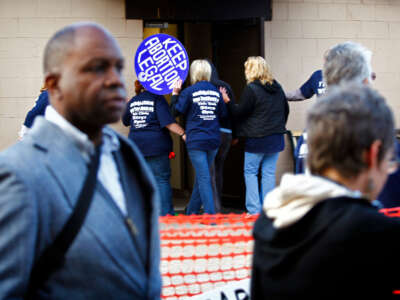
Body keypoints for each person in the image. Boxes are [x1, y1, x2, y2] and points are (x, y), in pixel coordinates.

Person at [0, 23, 161, 299]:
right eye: (96, 68)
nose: (114, 79)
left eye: (117, 67)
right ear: (54, 84)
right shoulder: (18, 172)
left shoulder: (125, 154)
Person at [251, 84, 400, 299]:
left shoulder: (270, 219)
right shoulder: (371, 230)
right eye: (389, 161)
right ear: (372, 154)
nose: (388, 171)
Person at [220, 56, 289, 214]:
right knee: (268, 173)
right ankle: (268, 210)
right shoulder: (277, 87)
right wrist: (277, 126)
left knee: (250, 172)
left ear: (251, 71)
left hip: (257, 139)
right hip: (276, 137)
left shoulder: (252, 89)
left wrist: (227, 101)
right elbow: (286, 110)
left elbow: (239, 113)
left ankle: (254, 211)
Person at [171, 59, 227, 215]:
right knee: (202, 177)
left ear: (193, 73)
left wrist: (175, 94)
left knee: (203, 178)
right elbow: (223, 115)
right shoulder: (216, 92)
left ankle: (210, 215)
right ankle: (192, 211)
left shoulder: (189, 91)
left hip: (196, 140)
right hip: (213, 140)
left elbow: (174, 112)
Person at [122, 80, 185, 216]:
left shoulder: (133, 101)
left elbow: (125, 121)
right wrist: (183, 133)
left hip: (136, 147)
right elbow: (167, 122)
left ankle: (143, 214)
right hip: (157, 146)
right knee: (161, 179)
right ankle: (165, 213)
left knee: (141, 181)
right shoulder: (157, 99)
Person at [207, 60, 236, 213]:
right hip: (226, 133)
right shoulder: (225, 86)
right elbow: (233, 110)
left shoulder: (204, 87)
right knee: (219, 170)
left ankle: (212, 207)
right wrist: (235, 134)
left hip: (211, 132)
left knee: (208, 171)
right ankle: (218, 205)